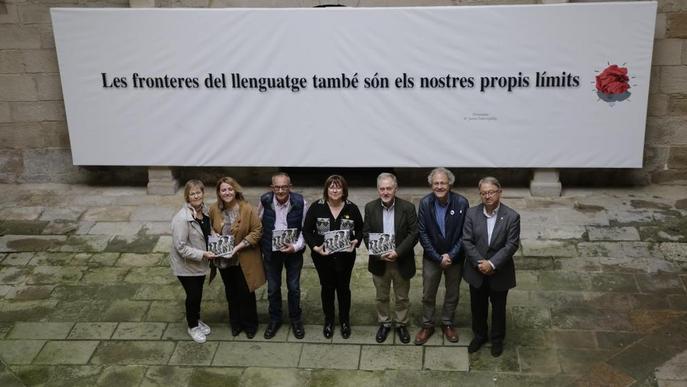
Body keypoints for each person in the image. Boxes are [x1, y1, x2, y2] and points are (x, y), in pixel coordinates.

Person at [462, 177, 520, 357]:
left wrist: (492, 263)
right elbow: (466, 241)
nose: (488, 196)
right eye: (484, 193)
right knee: (477, 307)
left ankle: (497, 339)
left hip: (499, 272)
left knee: (498, 308)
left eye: (491, 192)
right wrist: (480, 263)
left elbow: (511, 245)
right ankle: (479, 336)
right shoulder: (471, 213)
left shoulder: (512, 216)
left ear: (499, 192)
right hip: (476, 270)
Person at [303, 175, 363, 339]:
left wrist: (356, 242)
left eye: (338, 187)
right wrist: (315, 247)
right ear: (326, 190)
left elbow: (360, 230)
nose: (335, 190)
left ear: (344, 190)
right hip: (323, 257)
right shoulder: (317, 207)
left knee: (344, 289)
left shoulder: (352, 208)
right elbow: (307, 230)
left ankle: (345, 321)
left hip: (345, 258)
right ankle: (329, 320)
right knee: (327, 288)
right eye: (331, 187)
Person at [415, 167, 469, 345]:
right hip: (432, 258)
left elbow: (465, 233)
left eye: (443, 183)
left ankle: (447, 323)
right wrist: (438, 257)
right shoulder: (424, 203)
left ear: (450, 184)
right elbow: (422, 233)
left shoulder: (462, 203)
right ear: (431, 185)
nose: (439, 186)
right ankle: (428, 324)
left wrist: (451, 255)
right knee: (428, 293)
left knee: (452, 293)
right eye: (436, 183)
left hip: (456, 258)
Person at [363, 173, 418, 344]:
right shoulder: (370, 207)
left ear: (396, 189)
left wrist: (398, 252)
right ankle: (385, 323)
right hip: (380, 261)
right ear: (378, 190)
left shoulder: (407, 208)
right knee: (381, 296)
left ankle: (401, 324)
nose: (385, 192)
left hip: (401, 260)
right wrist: (378, 253)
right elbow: (366, 233)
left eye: (389, 188)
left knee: (402, 297)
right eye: (382, 189)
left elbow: (414, 233)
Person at [209, 176, 265, 339]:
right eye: (223, 190)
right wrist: (213, 233)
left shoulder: (247, 209)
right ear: (219, 193)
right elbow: (209, 227)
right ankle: (236, 323)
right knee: (231, 292)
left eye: (230, 189)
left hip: (242, 258)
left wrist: (237, 248)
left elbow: (257, 231)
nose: (227, 192)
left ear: (235, 190)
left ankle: (250, 324)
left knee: (245, 292)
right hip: (223, 260)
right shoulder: (214, 209)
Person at [258, 172, 308, 340]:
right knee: (272, 289)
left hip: (293, 253)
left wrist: (295, 247)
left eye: (284, 187)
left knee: (293, 288)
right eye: (277, 187)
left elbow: (305, 230)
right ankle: (275, 319)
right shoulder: (264, 201)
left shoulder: (300, 202)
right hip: (272, 253)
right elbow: (258, 226)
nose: (280, 191)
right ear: (272, 188)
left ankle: (295, 319)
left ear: (290, 187)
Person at [170, 180, 216, 343]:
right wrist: (204, 253)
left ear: (203, 193)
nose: (196, 196)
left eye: (199, 192)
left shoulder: (204, 210)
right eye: (192, 193)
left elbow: (207, 230)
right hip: (186, 265)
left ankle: (196, 320)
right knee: (193, 295)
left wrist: (216, 239)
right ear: (187, 197)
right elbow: (180, 247)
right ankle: (192, 326)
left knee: (198, 294)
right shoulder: (182, 219)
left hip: (199, 263)